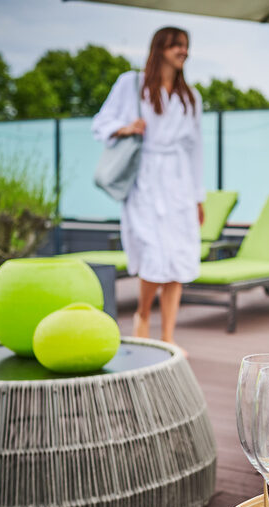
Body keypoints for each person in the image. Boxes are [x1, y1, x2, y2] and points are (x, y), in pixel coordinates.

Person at [92, 27, 204, 351]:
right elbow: (100, 122)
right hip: (145, 180)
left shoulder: (191, 96)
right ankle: (142, 315)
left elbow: (196, 150)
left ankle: (167, 337)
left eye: (186, 45)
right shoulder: (131, 83)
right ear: (161, 48)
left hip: (180, 183)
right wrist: (125, 127)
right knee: (154, 254)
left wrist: (198, 197)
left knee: (178, 259)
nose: (183, 51)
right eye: (177, 45)